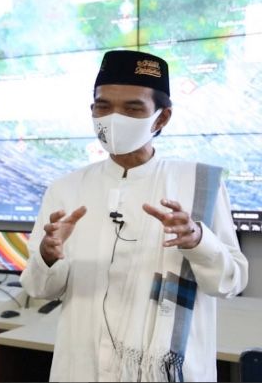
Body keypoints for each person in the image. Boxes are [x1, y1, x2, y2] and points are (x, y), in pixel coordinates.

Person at [21, 50, 248, 382]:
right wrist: (47, 255)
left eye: (132, 108)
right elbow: (40, 288)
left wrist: (198, 240)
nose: (114, 118)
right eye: (103, 106)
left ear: (161, 118)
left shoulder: (198, 185)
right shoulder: (66, 189)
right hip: (83, 369)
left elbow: (231, 281)